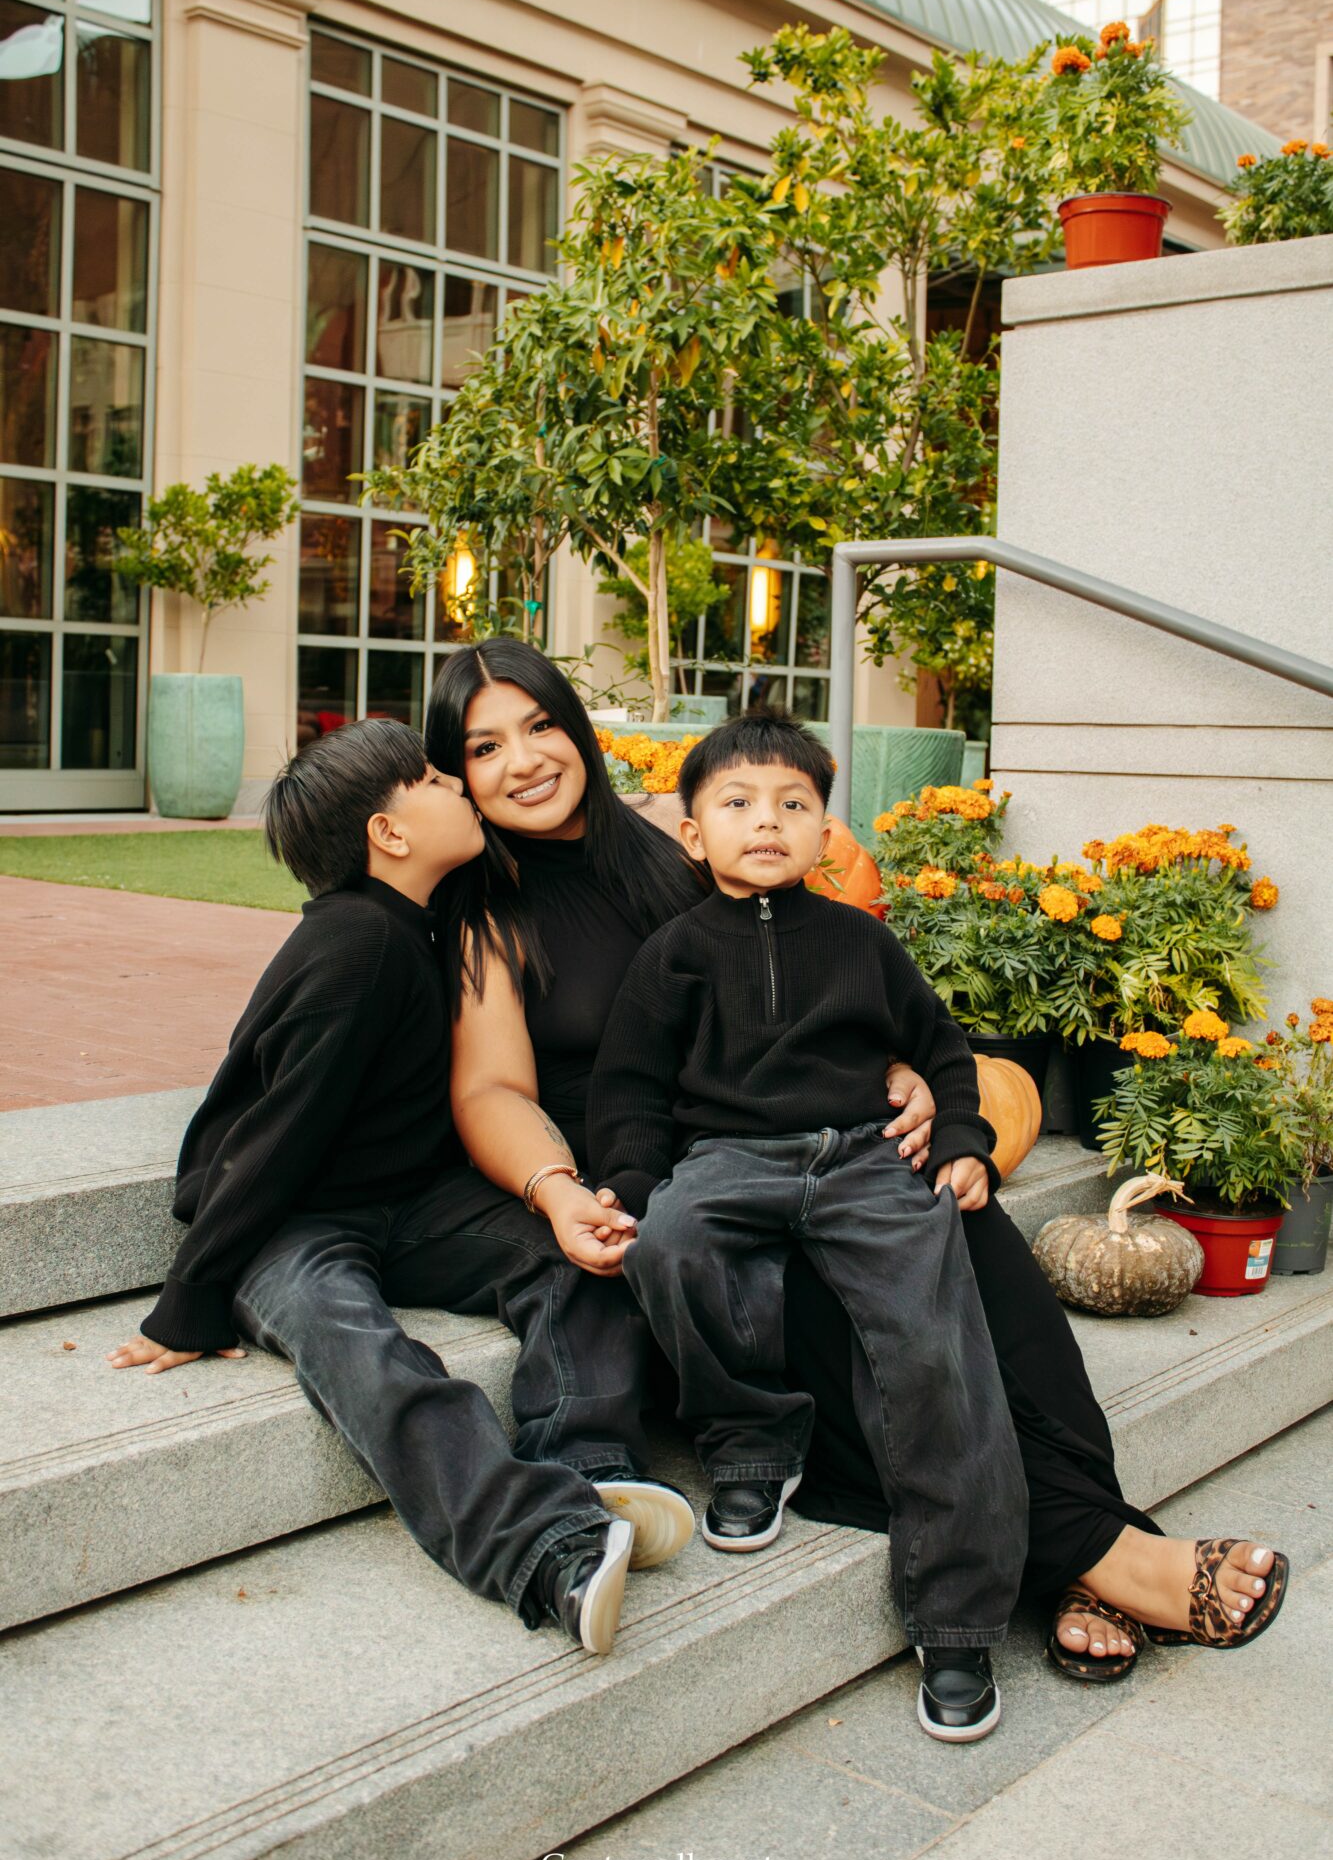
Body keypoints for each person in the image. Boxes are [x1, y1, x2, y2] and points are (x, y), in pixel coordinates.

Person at [431, 639, 1288, 1679]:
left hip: (827, 1147)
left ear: (576, 725)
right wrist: (570, 1190)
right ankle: (1099, 1555)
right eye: (484, 744)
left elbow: (818, 976)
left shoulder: (679, 835)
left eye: (540, 723)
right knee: (879, 1347)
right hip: (685, 1184)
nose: (523, 757)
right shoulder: (484, 913)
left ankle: (1091, 1534)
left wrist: (910, 1074)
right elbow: (491, 1092)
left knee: (983, 1257)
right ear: (456, 769)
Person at [107, 719, 693, 1655]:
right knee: (359, 1345)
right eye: (430, 776)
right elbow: (273, 1137)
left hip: (410, 1205)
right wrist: (190, 1301)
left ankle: (587, 1461)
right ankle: (544, 1548)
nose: (460, 782)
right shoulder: (355, 947)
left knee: (578, 1254)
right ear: (389, 833)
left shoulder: (427, 919)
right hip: (287, 1221)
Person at [587, 709, 1029, 1741]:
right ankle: (749, 1443)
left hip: (864, 1156)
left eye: (794, 803)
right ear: (692, 833)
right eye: (736, 804)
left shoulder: (864, 942)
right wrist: (629, 1180)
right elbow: (629, 1086)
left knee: (932, 1340)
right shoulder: (673, 954)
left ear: (828, 831)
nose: (767, 822)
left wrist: (960, 1136)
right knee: (670, 1242)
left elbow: (941, 1045)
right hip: (725, 1161)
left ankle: (956, 1615)